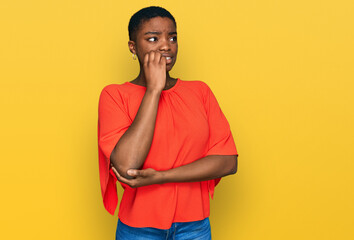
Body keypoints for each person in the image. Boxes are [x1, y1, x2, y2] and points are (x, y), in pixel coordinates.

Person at [97, 6, 238, 240]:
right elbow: (127, 166)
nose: (166, 46)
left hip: (195, 227)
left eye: (172, 37)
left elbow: (227, 162)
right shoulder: (114, 96)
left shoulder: (200, 92)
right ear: (133, 47)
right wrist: (153, 90)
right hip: (139, 229)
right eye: (153, 38)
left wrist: (161, 177)